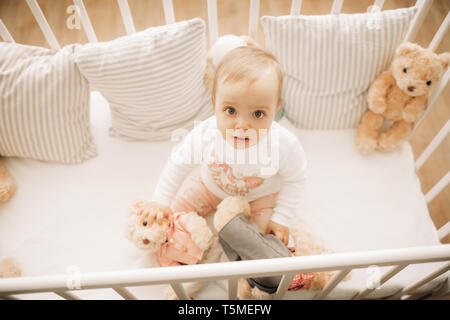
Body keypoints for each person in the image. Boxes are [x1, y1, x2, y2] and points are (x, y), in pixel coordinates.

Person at [141, 45, 307, 246]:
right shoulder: (206, 133)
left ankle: (252, 268)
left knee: (266, 241)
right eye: (230, 111)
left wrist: (281, 218)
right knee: (169, 220)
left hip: (258, 199)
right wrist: (161, 201)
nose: (242, 125)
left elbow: (295, 180)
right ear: (214, 102)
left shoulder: (284, 145)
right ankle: (180, 249)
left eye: (258, 114)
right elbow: (179, 163)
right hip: (208, 188)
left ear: (276, 108)